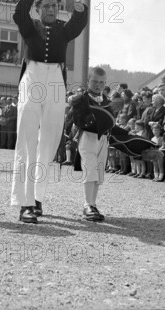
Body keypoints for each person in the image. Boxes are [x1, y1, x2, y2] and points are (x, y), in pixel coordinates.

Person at [11, 0, 88, 224]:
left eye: (55, 5)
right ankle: (25, 203)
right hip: (32, 76)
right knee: (27, 139)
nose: (52, 9)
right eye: (47, 6)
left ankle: (37, 196)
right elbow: (19, 12)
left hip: (55, 78)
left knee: (50, 140)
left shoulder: (62, 31)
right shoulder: (30, 26)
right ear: (39, 8)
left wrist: (77, 1)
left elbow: (78, 23)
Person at [71, 66, 110, 221]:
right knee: (90, 169)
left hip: (103, 138)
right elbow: (78, 120)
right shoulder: (81, 98)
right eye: (94, 81)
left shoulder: (107, 101)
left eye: (101, 82)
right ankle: (87, 204)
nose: (98, 85)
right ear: (88, 81)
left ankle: (93, 203)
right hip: (88, 136)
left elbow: (111, 122)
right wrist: (95, 118)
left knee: (99, 171)